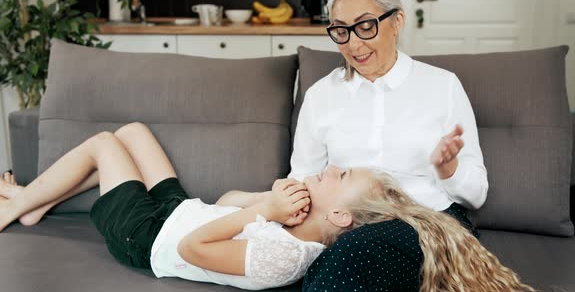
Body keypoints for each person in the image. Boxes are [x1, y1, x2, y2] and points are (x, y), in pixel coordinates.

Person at [0, 123, 534, 291]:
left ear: (343, 217)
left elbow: (192, 246)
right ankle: (31, 205)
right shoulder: (298, 216)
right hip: (185, 207)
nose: (327, 169)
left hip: (152, 236)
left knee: (104, 144)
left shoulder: (284, 258)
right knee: (135, 132)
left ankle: (16, 206)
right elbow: (227, 203)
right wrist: (265, 201)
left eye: (339, 175)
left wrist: (271, 215)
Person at [289, 0, 492, 290]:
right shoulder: (321, 96)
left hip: (427, 220)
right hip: (347, 225)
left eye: (366, 26)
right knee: (349, 254)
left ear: (397, 21)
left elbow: (476, 194)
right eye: (341, 31)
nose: (353, 45)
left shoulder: (443, 87)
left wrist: (448, 169)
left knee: (348, 258)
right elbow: (302, 178)